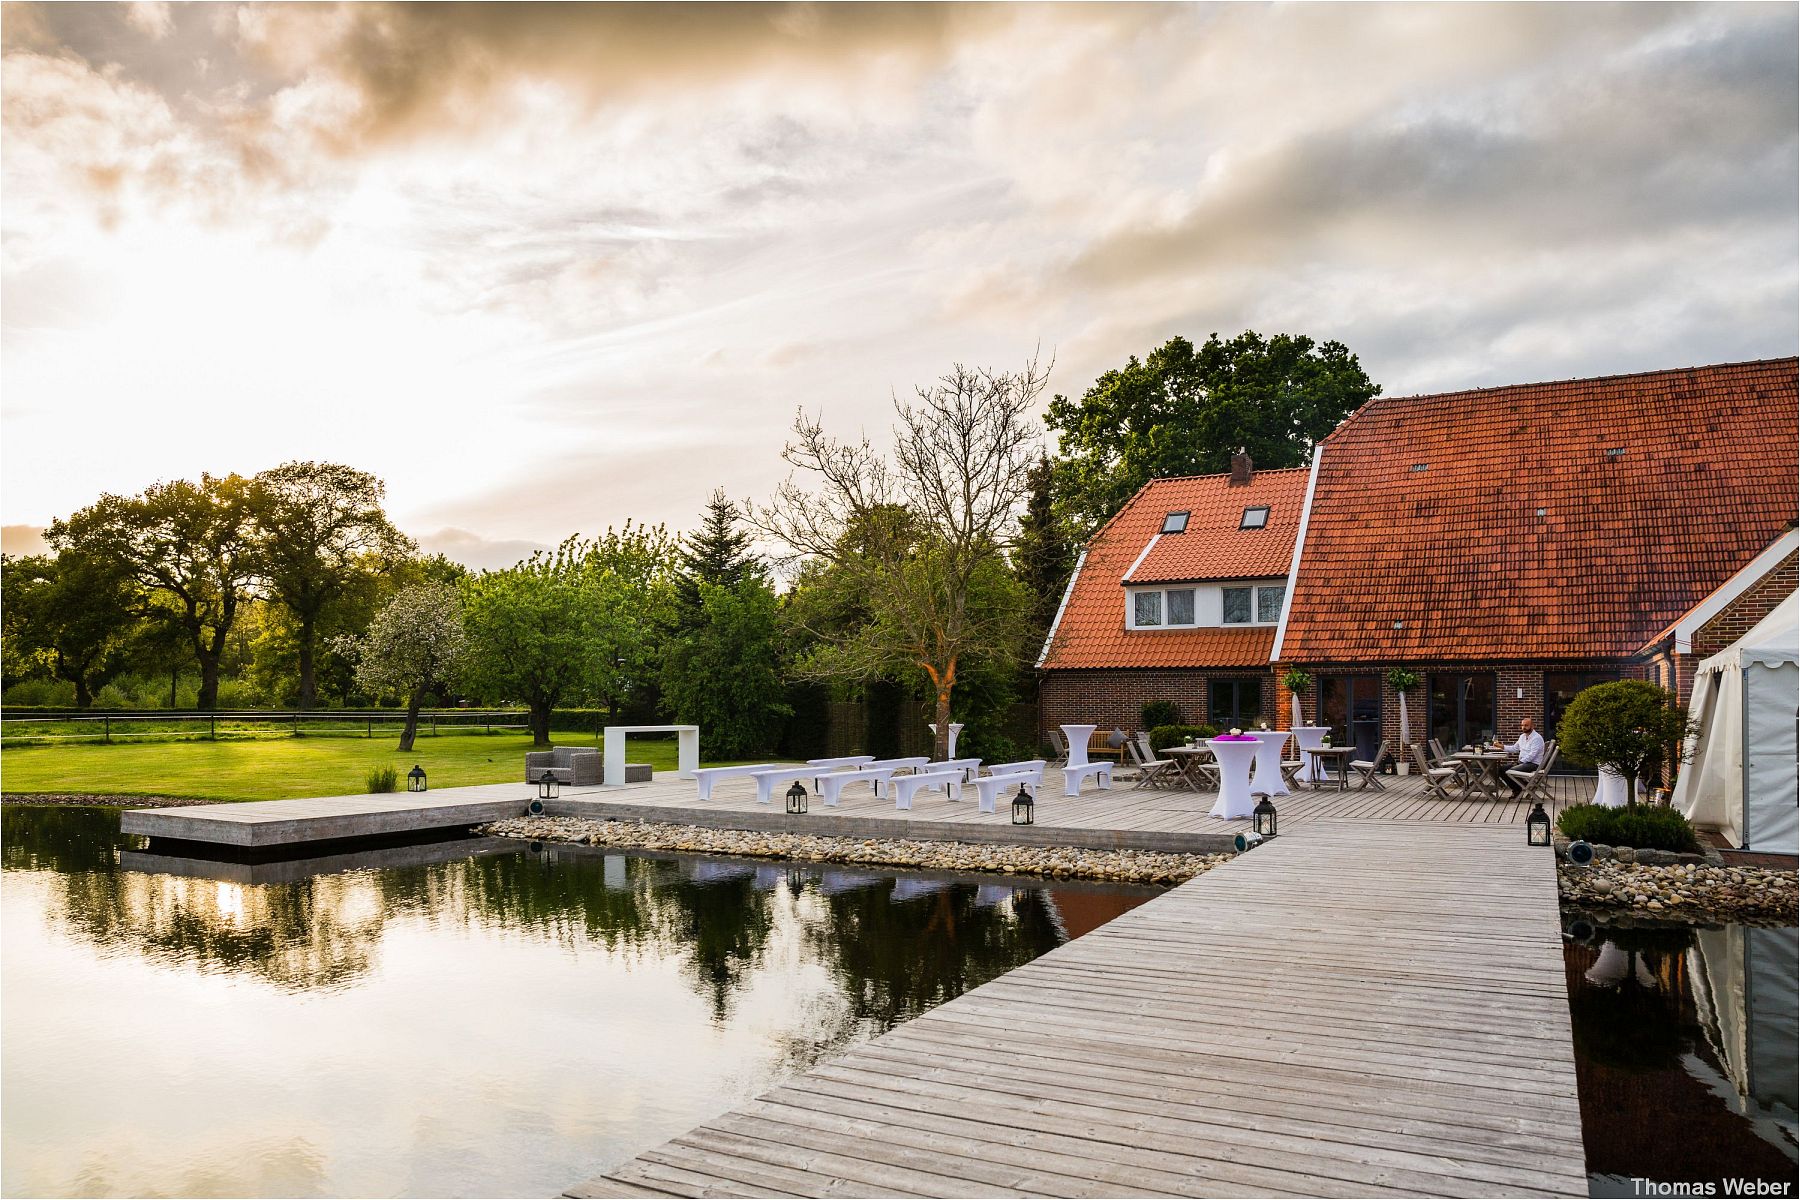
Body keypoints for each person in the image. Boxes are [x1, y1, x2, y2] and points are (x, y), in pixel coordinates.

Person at [1501, 718, 1546, 796]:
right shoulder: (1522, 737)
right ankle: (1519, 787)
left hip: (1533, 764)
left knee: (1510, 771)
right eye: (1522, 725)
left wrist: (1519, 762)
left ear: (1532, 726)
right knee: (1501, 769)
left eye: (1526, 725)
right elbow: (1515, 748)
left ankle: (1519, 788)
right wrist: (1501, 746)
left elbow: (1532, 755)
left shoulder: (1537, 738)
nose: (1523, 727)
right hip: (1523, 762)